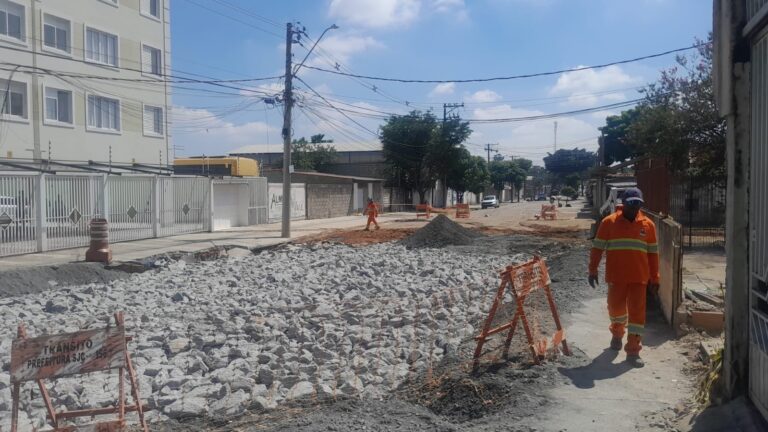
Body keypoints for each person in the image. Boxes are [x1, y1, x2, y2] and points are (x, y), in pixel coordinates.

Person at [588, 187, 660, 368]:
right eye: (631, 203)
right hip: (616, 277)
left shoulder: (648, 225)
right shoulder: (609, 223)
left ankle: (633, 351)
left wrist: (655, 278)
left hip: (639, 278)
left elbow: (653, 255)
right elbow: (597, 249)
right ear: (623, 204)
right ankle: (617, 333)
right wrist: (592, 270)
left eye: (638, 203)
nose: (634, 207)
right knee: (615, 310)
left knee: (637, 316)